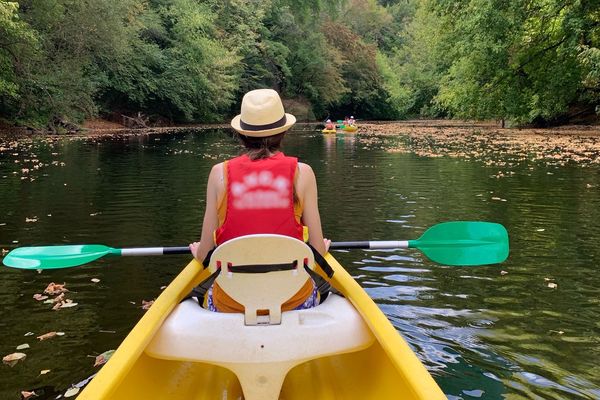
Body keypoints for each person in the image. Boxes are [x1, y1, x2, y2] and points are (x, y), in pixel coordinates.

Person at [190, 88, 330, 312]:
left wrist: (197, 251)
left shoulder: (218, 173)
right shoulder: (303, 173)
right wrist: (320, 247)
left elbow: (206, 254)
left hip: (231, 303)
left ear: (242, 134)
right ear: (283, 133)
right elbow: (317, 251)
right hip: (293, 300)